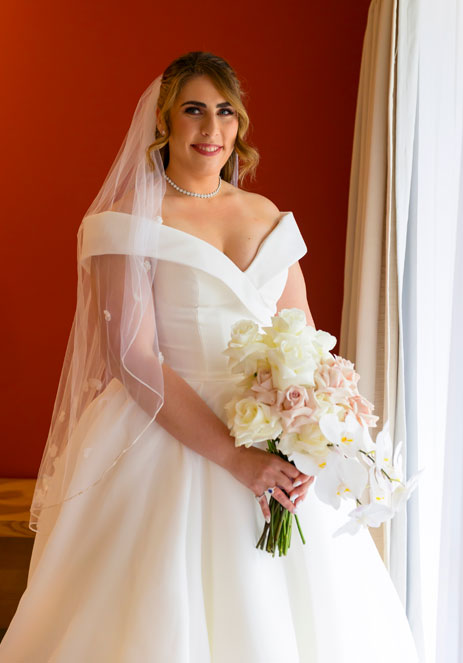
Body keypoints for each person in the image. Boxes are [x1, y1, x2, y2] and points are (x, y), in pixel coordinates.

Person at [1, 52, 418, 662]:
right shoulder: (128, 221)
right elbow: (134, 358)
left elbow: (302, 337)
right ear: (164, 123)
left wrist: (313, 432)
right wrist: (235, 456)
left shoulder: (267, 215)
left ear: (238, 125)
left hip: (275, 429)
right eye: (193, 109)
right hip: (164, 434)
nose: (210, 127)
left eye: (224, 111)